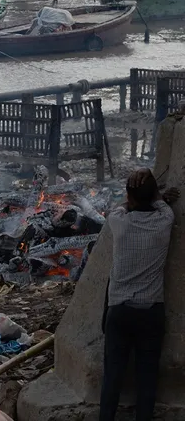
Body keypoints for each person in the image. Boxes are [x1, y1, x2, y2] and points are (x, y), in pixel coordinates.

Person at [99, 168, 179, 421]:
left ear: (130, 197)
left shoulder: (119, 221)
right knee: (148, 378)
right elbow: (160, 203)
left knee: (113, 375)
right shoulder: (165, 220)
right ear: (155, 193)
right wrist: (159, 195)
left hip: (119, 311)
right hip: (151, 312)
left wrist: (137, 196)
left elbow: (121, 206)